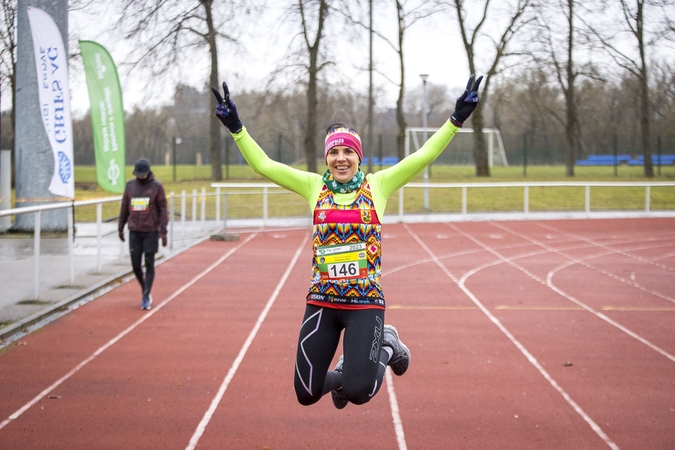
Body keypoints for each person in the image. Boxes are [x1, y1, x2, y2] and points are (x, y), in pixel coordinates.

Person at [211, 75, 482, 409]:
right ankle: (343, 373)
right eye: (334, 152)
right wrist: (237, 128)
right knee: (306, 394)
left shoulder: (377, 186)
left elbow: (423, 155)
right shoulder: (313, 187)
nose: (341, 158)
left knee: (359, 392)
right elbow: (264, 165)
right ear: (326, 158)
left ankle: (386, 345)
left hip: (365, 303)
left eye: (348, 152)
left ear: (359, 157)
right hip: (323, 301)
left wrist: (455, 121)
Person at [118, 158, 169, 310]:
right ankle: (144, 288)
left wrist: (163, 231)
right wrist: (120, 227)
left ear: (148, 173)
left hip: (151, 231)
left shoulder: (156, 187)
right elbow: (124, 208)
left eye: (143, 174)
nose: (140, 177)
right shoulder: (130, 186)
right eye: (138, 174)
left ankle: (146, 295)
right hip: (134, 231)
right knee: (135, 264)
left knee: (149, 263)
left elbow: (163, 210)